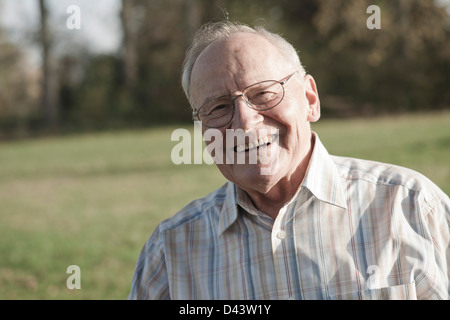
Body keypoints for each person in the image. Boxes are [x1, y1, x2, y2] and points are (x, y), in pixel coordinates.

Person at [128, 21, 449, 300]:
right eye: (218, 107)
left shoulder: (411, 207)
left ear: (310, 99)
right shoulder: (172, 252)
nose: (244, 122)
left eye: (264, 94)